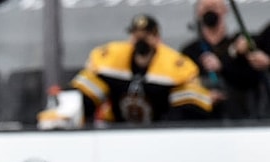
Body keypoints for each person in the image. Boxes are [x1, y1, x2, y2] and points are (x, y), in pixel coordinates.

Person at [69, 14, 213, 125]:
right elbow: (81, 98)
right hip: (117, 133)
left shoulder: (174, 68)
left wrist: (169, 131)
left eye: (146, 35)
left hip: (160, 136)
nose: (140, 40)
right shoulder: (111, 62)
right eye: (136, 35)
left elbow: (191, 111)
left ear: (157, 39)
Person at [179, 0, 264, 119]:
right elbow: (183, 88)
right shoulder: (189, 51)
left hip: (241, 119)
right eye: (205, 8)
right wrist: (203, 96)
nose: (210, 11)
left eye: (214, 7)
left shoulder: (240, 45)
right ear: (198, 13)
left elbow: (252, 79)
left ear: (225, 10)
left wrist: (223, 64)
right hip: (202, 121)